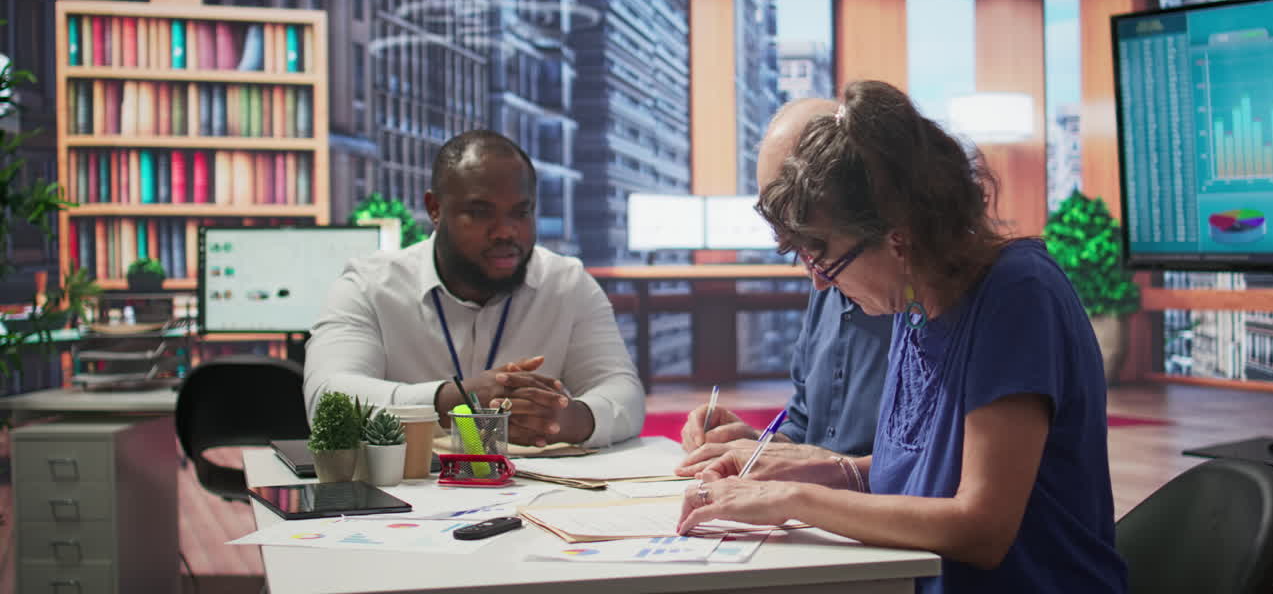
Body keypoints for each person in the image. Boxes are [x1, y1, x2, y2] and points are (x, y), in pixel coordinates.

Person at [677, 81, 1125, 593]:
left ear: (899, 235)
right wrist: (806, 470)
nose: (819, 280)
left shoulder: (1018, 293)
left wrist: (791, 501)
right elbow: (914, 480)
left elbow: (982, 526)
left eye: (824, 255)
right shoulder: (912, 305)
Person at [305, 130, 644, 448]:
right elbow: (328, 400)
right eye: (481, 213)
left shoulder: (567, 284)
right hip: (406, 496)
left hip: (532, 497)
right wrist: (458, 398)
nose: (506, 232)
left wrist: (567, 418)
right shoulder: (368, 286)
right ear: (435, 209)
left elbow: (624, 391)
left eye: (521, 213)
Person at [678, 98, 892, 469]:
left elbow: (927, 475)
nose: (818, 276)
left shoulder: (915, 297)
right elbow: (807, 429)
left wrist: (811, 475)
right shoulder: (826, 279)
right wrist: (754, 442)